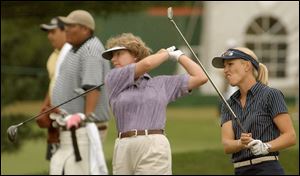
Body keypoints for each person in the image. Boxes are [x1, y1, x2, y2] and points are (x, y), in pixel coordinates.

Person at [101, 33, 208, 174]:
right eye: (112, 56)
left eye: (118, 53)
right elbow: (147, 64)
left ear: (135, 54)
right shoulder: (113, 78)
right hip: (123, 146)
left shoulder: (161, 83)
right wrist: (166, 53)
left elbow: (201, 77)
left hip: (153, 145)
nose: (114, 59)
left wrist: (178, 55)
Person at [211, 47, 296, 175]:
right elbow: (227, 145)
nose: (225, 70)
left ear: (246, 66)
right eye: (224, 66)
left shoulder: (271, 95)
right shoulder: (228, 104)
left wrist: (265, 147)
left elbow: (290, 136)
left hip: (267, 169)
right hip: (240, 170)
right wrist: (241, 143)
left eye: (230, 64)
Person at [49, 10, 111, 175]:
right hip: (71, 126)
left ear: (86, 29)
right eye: (66, 25)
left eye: (71, 26)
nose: (66, 29)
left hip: (85, 127)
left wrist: (85, 117)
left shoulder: (90, 50)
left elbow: (93, 88)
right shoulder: (75, 47)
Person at [36, 17, 72, 161]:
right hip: (55, 117)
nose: (49, 36)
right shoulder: (52, 57)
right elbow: (53, 84)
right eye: (48, 32)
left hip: (68, 117)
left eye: (53, 31)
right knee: (56, 163)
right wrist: (44, 107)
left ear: (65, 31)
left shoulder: (73, 54)